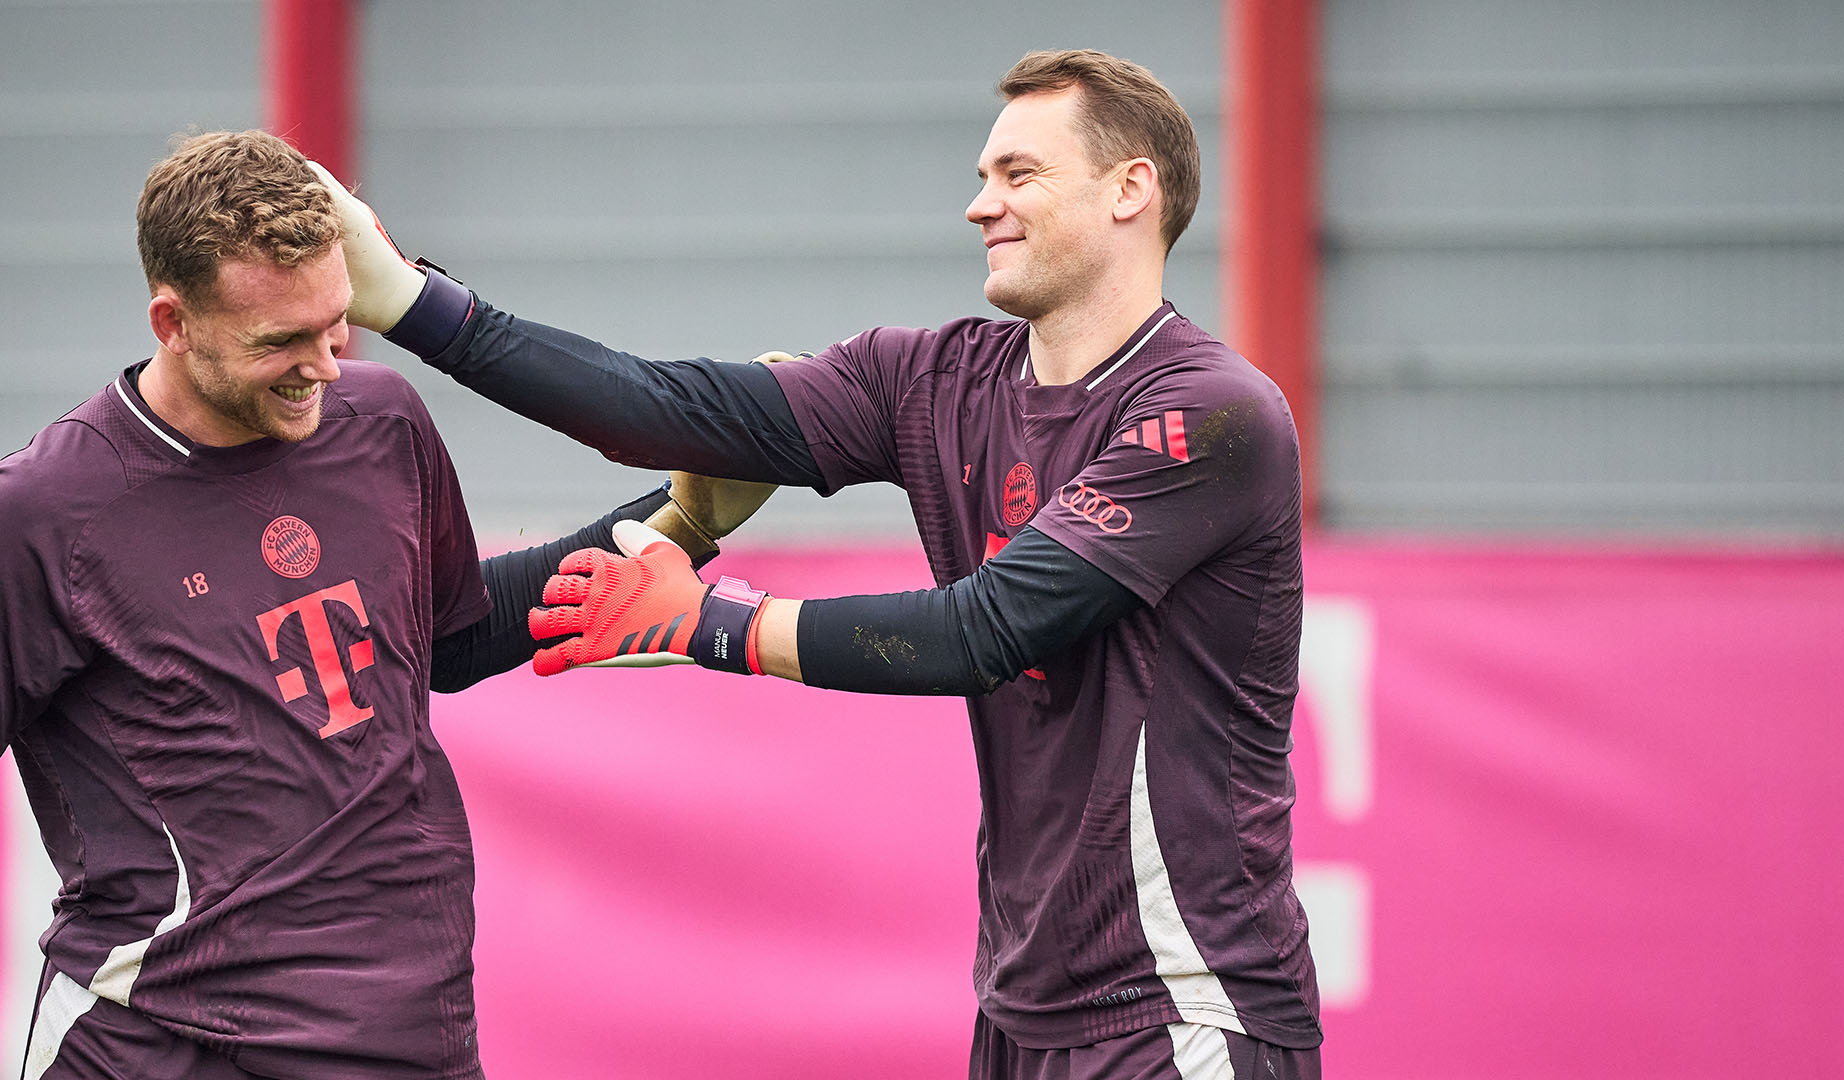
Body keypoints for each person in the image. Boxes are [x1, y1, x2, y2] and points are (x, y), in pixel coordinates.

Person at [324, 48, 1321, 1080]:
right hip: (1023, 1013)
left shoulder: (1209, 412)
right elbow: (659, 409)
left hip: (1181, 1010)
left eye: (1018, 174)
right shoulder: (933, 379)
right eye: (983, 177)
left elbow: (986, 631)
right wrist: (406, 301)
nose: (981, 206)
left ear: (1131, 190)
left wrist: (706, 622)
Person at [0, 131, 764, 1080]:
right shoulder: (42, 511)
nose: (321, 365)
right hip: (158, 1041)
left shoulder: (384, 420)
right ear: (172, 322)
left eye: (334, 325)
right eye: (278, 341)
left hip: (406, 1027)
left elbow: (452, 639)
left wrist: (679, 520)